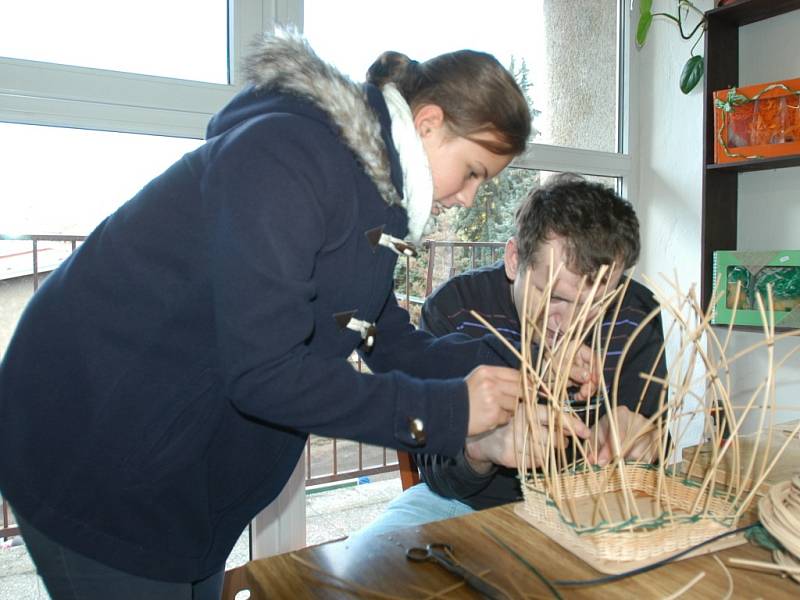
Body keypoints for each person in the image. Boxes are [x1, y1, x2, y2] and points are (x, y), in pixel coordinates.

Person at [0, 30, 540, 599]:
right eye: (475, 171)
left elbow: (394, 343)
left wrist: (526, 368)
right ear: (429, 123)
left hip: (174, 480)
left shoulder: (376, 204)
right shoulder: (288, 157)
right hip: (90, 456)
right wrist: (450, 412)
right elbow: (266, 375)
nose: (469, 198)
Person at [354, 175, 667, 536]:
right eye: (558, 298)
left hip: (593, 504)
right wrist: (479, 447)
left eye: (597, 304)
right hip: (465, 506)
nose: (571, 324)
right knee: (371, 561)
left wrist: (644, 440)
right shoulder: (457, 309)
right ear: (515, 259)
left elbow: (655, 448)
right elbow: (436, 472)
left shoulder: (636, 314)